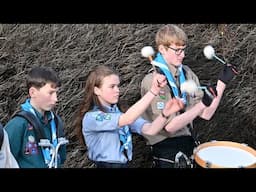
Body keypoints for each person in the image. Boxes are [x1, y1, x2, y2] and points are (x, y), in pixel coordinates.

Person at [140, 24, 238, 168]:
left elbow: (206, 113)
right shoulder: (154, 81)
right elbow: (170, 127)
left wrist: (221, 83)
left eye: (183, 50)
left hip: (189, 143)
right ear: (162, 49)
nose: (183, 55)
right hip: (166, 150)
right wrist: (202, 104)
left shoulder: (187, 74)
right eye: (177, 50)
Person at [75, 65, 185, 168]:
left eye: (118, 86)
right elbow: (127, 119)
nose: (117, 90)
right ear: (96, 90)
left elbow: (150, 130)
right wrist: (153, 91)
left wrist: (165, 114)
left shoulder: (119, 112)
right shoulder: (92, 117)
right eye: (112, 87)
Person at [4, 67, 67, 168]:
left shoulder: (56, 122)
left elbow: (62, 157)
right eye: (50, 93)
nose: (56, 99)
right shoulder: (18, 124)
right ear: (33, 92)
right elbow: (4, 160)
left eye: (56, 93)